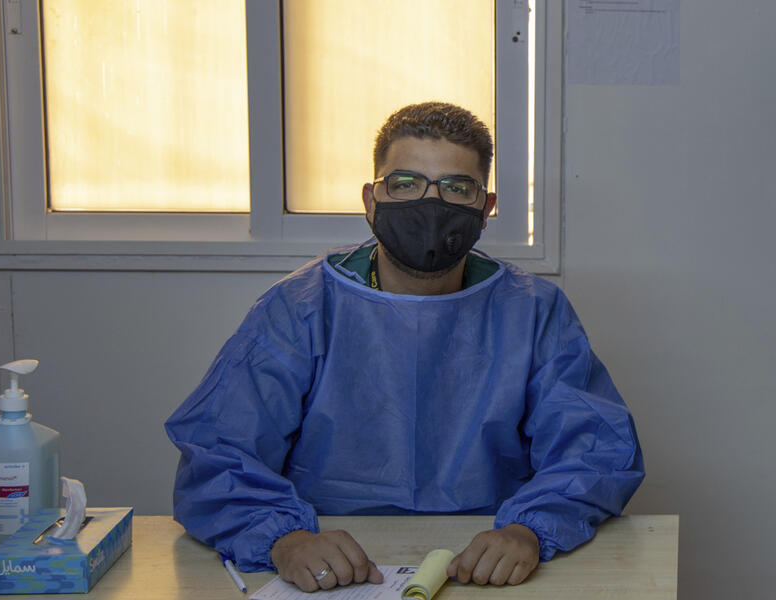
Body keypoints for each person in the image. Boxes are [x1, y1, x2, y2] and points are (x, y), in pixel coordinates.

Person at [165, 102, 644, 593]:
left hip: (483, 563)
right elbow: (218, 453)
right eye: (406, 183)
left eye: (457, 188)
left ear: (487, 206)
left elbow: (595, 453)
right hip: (330, 562)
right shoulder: (301, 308)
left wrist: (528, 531)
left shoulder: (533, 312)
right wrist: (283, 540)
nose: (429, 205)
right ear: (371, 200)